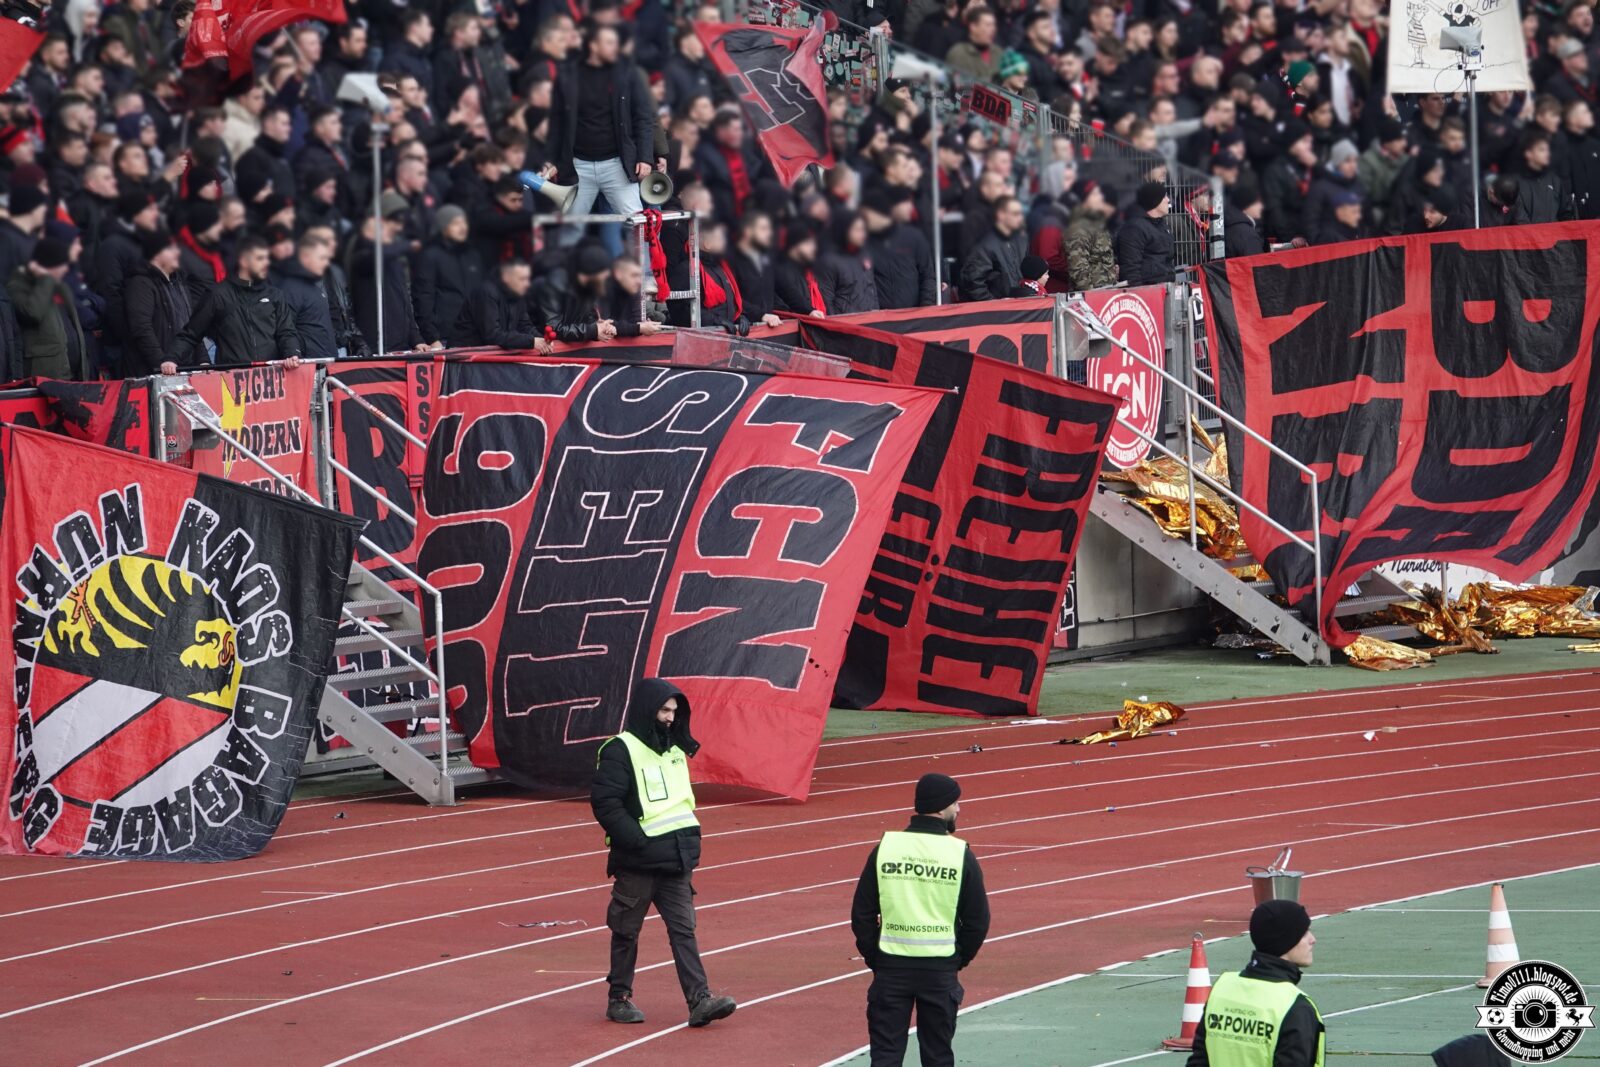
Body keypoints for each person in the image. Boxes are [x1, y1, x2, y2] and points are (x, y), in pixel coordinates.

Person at [589, 678, 737, 1029]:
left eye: (674, 711)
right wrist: (637, 841)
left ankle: (700, 1000)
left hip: (676, 859)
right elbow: (606, 804)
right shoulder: (619, 749)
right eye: (664, 710)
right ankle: (619, 999)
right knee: (626, 930)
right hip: (639, 861)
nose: (670, 718)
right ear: (647, 709)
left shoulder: (674, 751)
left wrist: (689, 842)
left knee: (684, 930)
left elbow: (681, 804)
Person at [851, 773, 990, 1067]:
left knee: (886, 1055)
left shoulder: (886, 849)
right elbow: (978, 920)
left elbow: (861, 912)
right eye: (956, 802)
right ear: (941, 808)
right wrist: (957, 959)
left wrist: (875, 955)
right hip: (939, 970)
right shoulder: (959, 854)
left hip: (891, 967)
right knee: (937, 1056)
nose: (959, 809)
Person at [1185, 900, 1323, 1067]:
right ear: (1285, 940)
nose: (1312, 939)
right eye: (1304, 933)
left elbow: (1199, 1060)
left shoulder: (1223, 988)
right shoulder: (1295, 1006)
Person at [544, 23, 657, 221]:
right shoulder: (568, 75)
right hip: (578, 166)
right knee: (571, 229)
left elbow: (644, 118)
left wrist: (645, 157)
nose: (616, 47)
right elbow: (557, 122)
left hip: (617, 164)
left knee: (639, 226)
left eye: (616, 43)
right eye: (610, 43)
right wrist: (551, 159)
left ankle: (644, 255)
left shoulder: (628, 74)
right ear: (594, 46)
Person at [166, 235, 301, 372]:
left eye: (267, 258)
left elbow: (287, 332)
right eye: (260, 258)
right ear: (243, 261)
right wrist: (171, 359)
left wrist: (292, 353)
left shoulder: (275, 295)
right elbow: (191, 333)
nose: (266, 263)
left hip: (270, 381)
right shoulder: (218, 294)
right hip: (231, 384)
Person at [8, 237, 86, 379]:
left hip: (74, 375)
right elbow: (32, 313)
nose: (65, 268)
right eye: (61, 264)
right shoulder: (18, 286)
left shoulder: (61, 287)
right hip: (47, 376)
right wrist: (45, 279)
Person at [120, 228, 191, 377]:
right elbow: (141, 328)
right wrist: (162, 362)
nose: (177, 252)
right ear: (156, 254)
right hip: (156, 373)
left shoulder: (179, 282)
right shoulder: (140, 284)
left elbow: (191, 326)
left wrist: (203, 360)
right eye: (171, 248)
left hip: (185, 368)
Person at [413, 205, 483, 348]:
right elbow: (423, 298)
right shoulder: (430, 256)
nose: (462, 227)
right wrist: (432, 338)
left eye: (464, 222)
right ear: (443, 227)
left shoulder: (473, 255)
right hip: (444, 338)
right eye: (456, 223)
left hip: (476, 337)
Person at [271, 233, 339, 361]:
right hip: (308, 368)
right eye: (322, 258)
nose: (326, 263)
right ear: (305, 257)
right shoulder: (290, 288)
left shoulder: (314, 286)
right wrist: (293, 354)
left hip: (325, 365)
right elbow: (284, 329)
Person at [457, 257, 546, 351]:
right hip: (462, 356)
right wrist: (531, 341)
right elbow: (491, 335)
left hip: (489, 355)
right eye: (522, 279)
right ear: (506, 277)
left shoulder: (517, 293)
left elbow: (524, 326)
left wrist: (542, 340)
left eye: (528, 279)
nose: (527, 284)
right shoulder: (486, 293)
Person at [959, 194, 1025, 302]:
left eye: (1020, 213)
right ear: (1001, 215)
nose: (1020, 218)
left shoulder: (1020, 240)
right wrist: (992, 303)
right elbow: (973, 281)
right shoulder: (985, 246)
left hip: (1016, 307)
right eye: (1015, 214)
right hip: (999, 312)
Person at [1117, 181, 1176, 286]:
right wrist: (1142, 296)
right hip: (1148, 293)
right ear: (1155, 201)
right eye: (1164, 197)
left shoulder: (1161, 224)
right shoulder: (1134, 228)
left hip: (1165, 290)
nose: (1168, 200)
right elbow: (1131, 270)